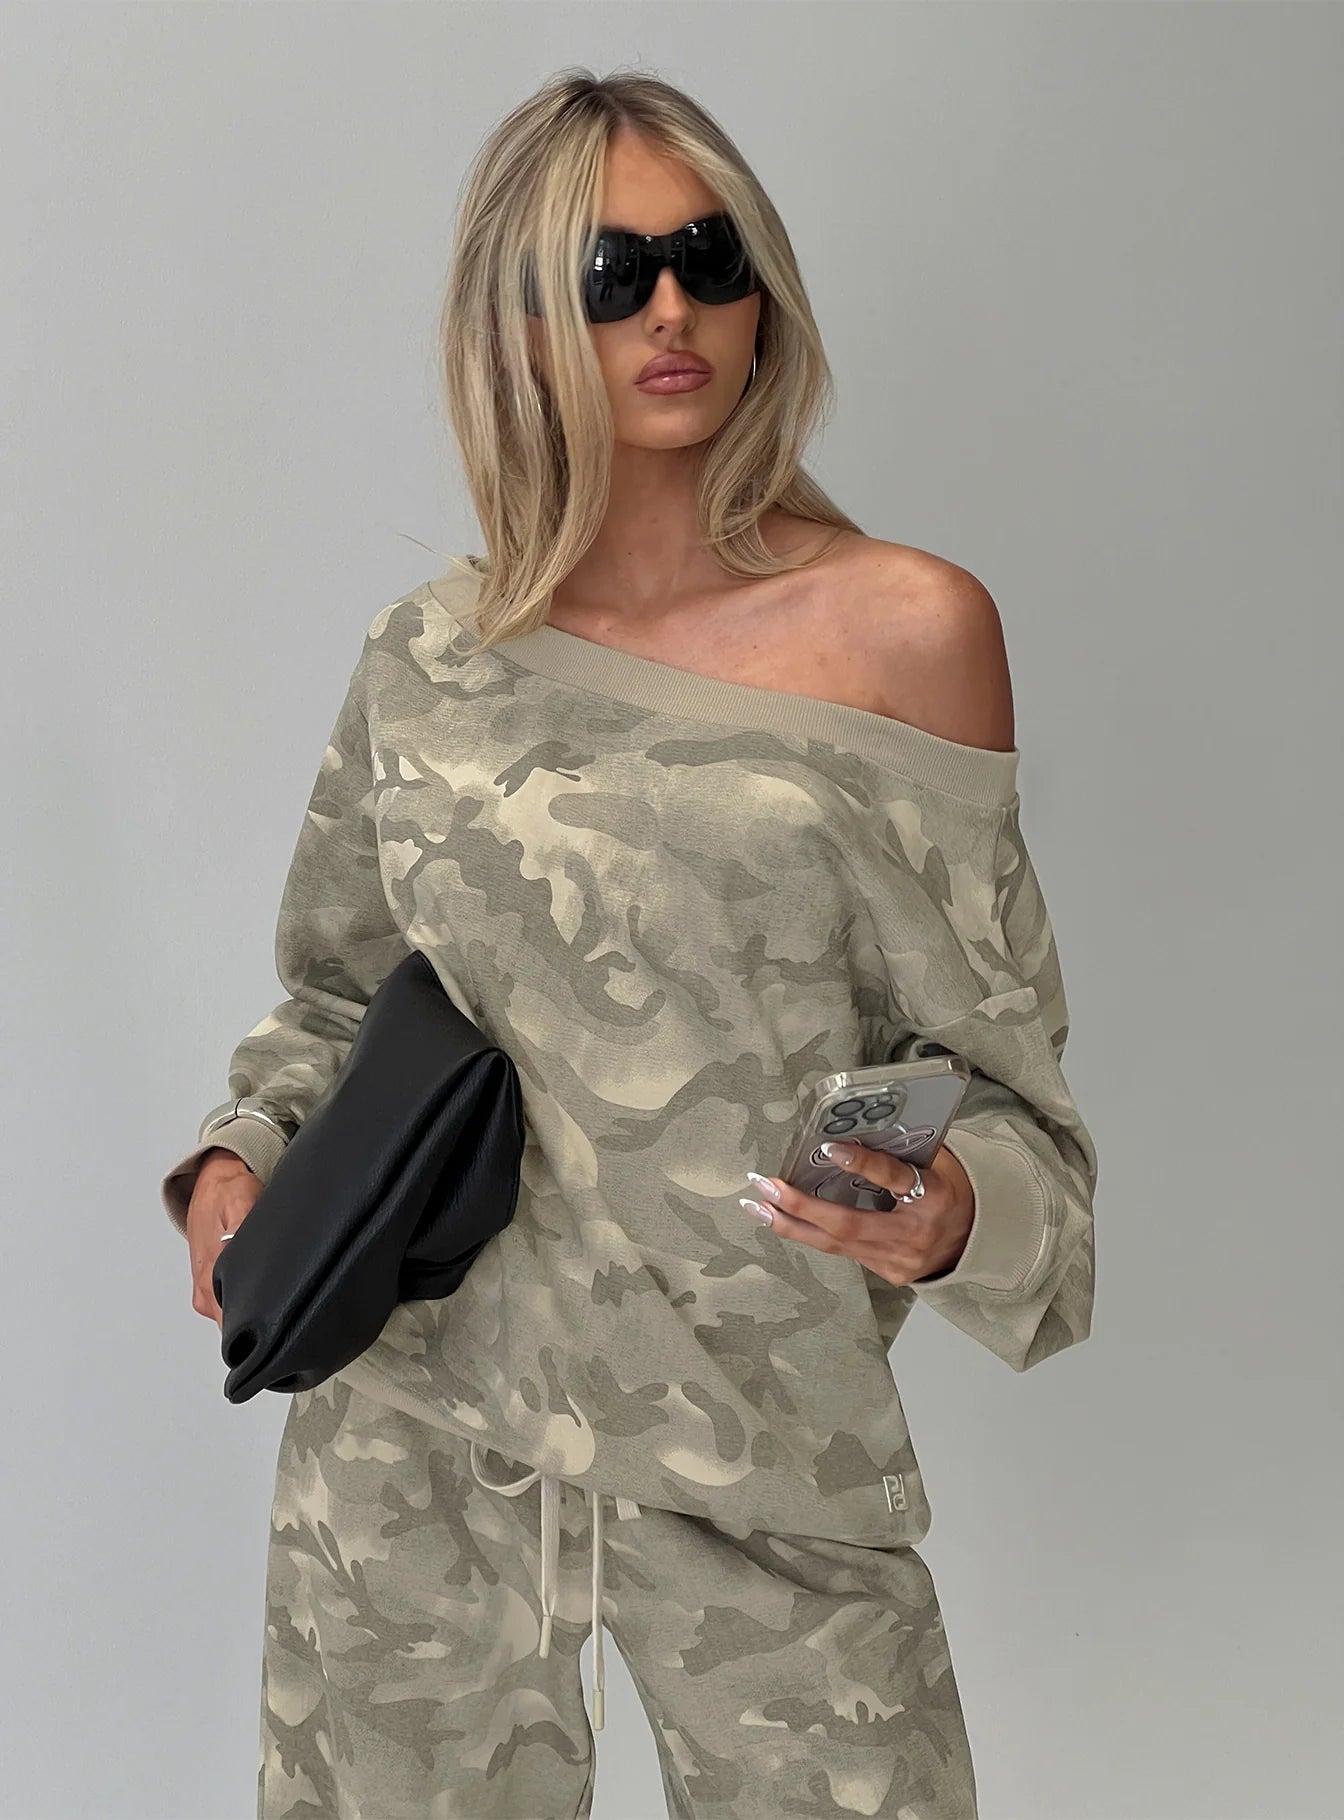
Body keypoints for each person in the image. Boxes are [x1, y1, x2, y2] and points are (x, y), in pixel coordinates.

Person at [160, 66, 1099, 1820]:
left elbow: (1010, 1098)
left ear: (762, 292)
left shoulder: (905, 633)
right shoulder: (431, 656)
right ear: (517, 325)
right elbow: (337, 1004)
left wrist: (956, 1207)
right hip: (414, 1450)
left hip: (761, 1452)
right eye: (609, 274)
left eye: (707, 258)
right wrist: (236, 1166)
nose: (671, 309)